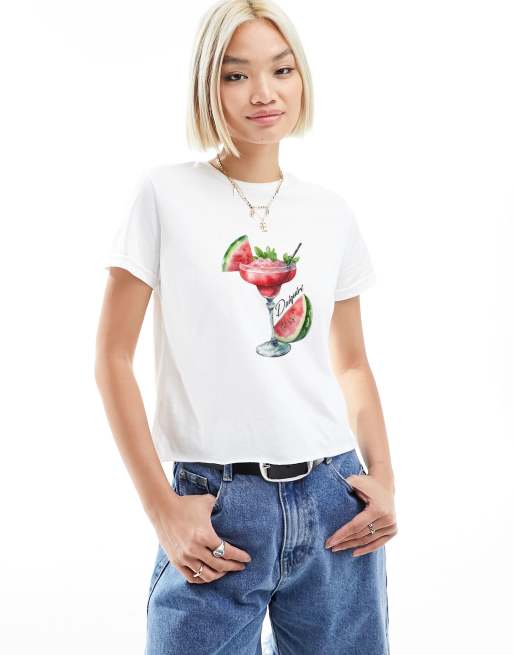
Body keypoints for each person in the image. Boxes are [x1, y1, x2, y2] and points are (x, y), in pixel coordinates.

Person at [95, 1, 397, 653]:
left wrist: (384, 477)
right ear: (207, 84)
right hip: (215, 506)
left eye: (281, 70)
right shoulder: (163, 195)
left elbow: (350, 363)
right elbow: (112, 357)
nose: (263, 93)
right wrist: (161, 508)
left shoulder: (330, 213)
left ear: (301, 77)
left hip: (334, 500)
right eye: (236, 75)